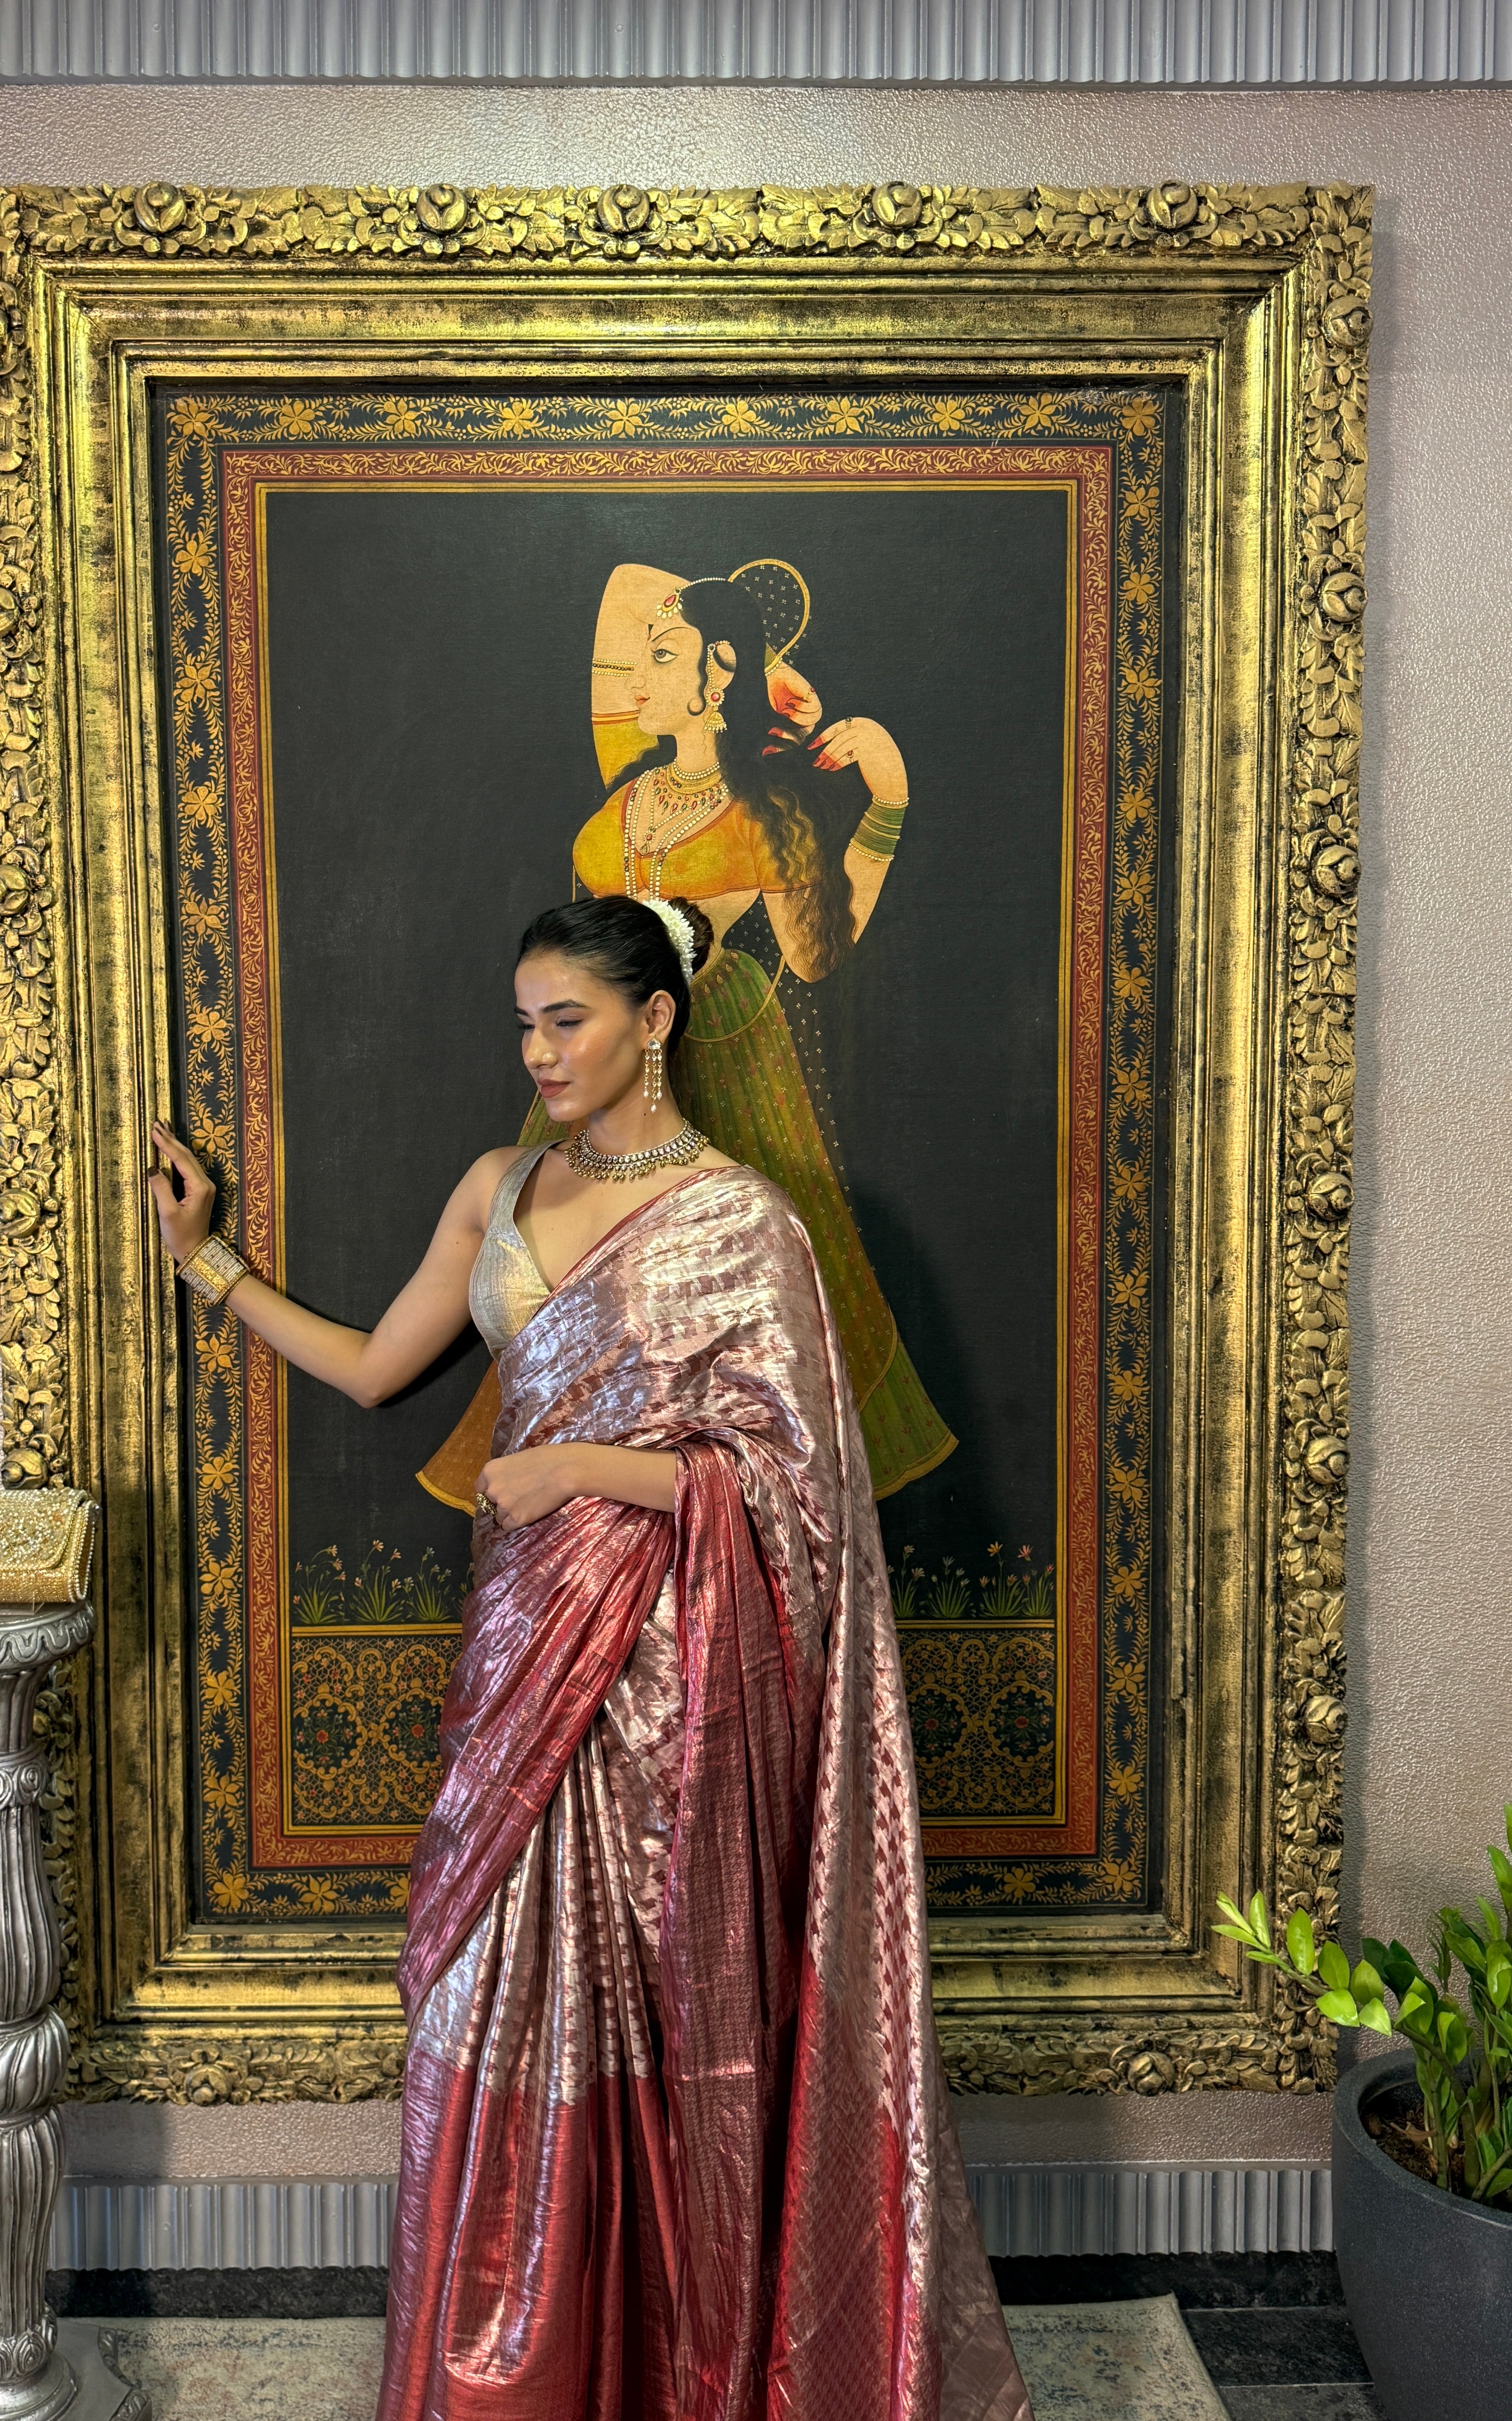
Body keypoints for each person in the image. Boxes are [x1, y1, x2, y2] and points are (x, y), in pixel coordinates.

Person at [151, 893, 1029, 2421]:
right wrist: (205, 1260)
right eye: (525, 1024)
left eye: (568, 1019)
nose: (540, 1052)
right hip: (522, 1657)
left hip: (668, 1693)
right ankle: (523, 2373)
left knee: (665, 2012)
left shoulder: (741, 1224)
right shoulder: (497, 1188)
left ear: (655, 1019)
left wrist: (574, 1468)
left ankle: (666, 2365)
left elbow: (793, 1487)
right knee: (498, 1988)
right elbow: (374, 1367)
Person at [420, 559, 953, 1521]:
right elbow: (585, 968)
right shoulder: (614, 815)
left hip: (733, 1053)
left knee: (739, 1331)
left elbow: (816, 954)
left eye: (661, 657)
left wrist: (888, 805)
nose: (637, 682)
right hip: (611, 1076)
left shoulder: (768, 813)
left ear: (720, 673)